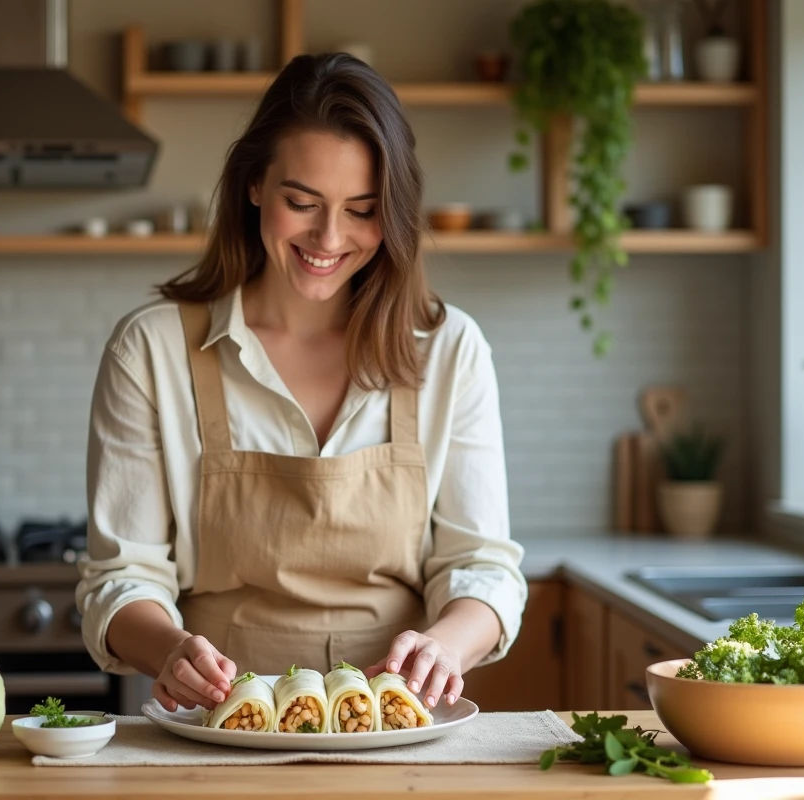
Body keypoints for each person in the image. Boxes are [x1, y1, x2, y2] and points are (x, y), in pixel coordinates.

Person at [76, 52, 526, 717]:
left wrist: (445, 648)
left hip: (393, 725)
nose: (329, 237)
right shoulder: (153, 348)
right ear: (254, 184)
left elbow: (482, 566)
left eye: (362, 210)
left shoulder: (448, 349)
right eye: (302, 202)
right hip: (219, 726)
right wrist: (170, 650)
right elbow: (122, 576)